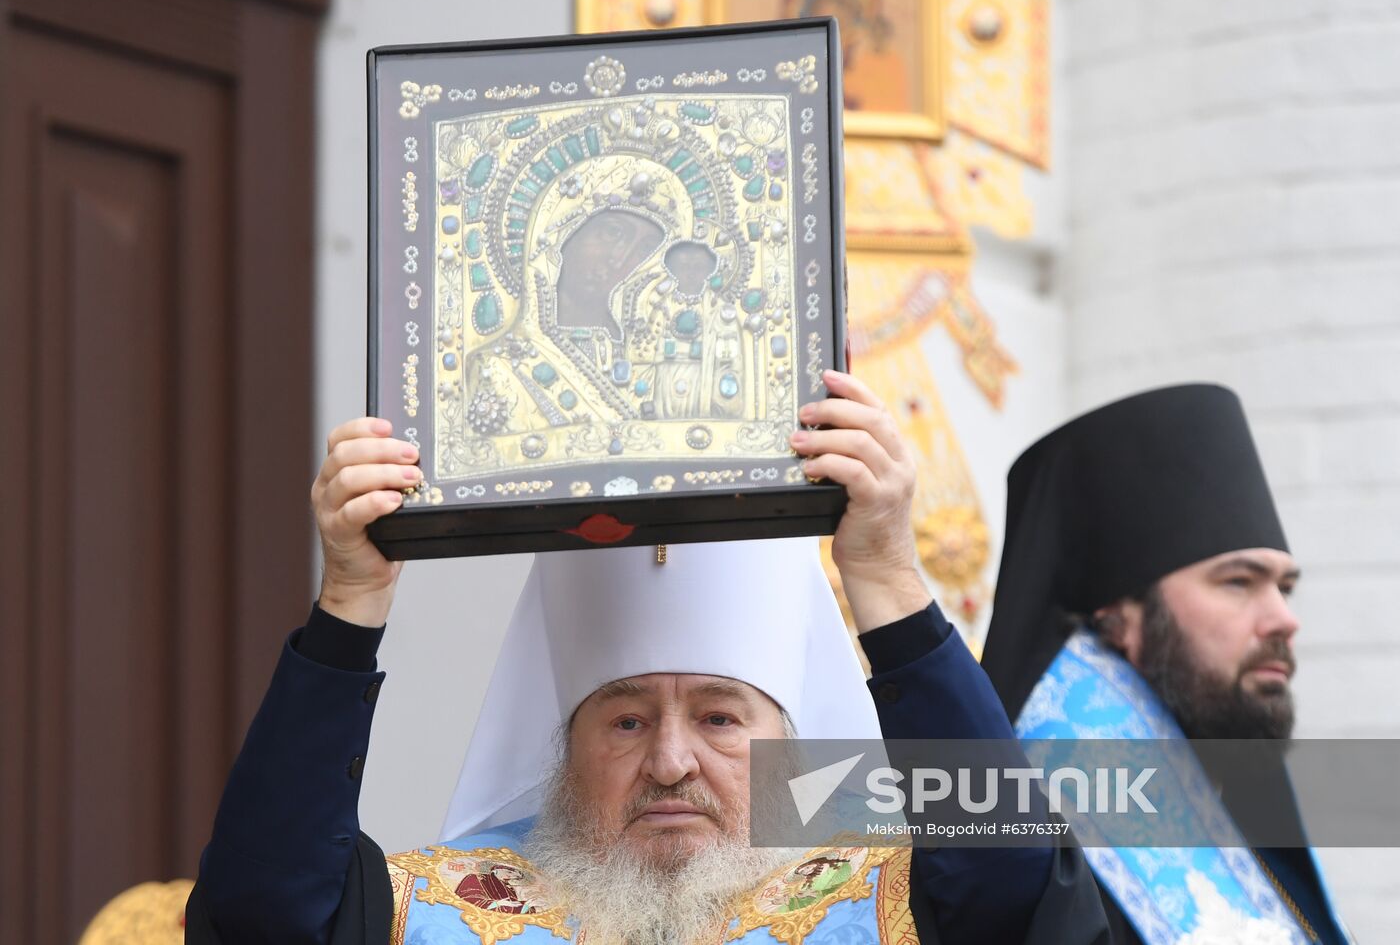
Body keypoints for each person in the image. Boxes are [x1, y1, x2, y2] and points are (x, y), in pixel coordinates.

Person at [185, 369, 1109, 944]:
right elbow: (264, 912)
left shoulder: (889, 901)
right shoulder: (439, 912)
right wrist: (351, 603)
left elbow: (1013, 884)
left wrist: (885, 573)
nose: (671, 762)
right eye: (625, 719)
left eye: (718, 716)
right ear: (563, 747)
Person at [980, 384, 1353, 944]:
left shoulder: (1234, 798)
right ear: (1119, 617)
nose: (1283, 619)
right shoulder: (1030, 830)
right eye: (1238, 582)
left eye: (1285, 588)